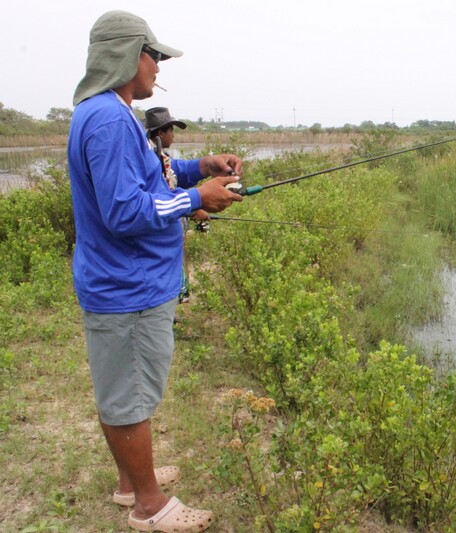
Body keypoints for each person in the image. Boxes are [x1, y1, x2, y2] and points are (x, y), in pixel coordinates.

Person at [67, 10, 243, 532]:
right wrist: (196, 199)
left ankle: (129, 481)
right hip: (128, 287)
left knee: (124, 389)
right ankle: (149, 505)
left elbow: (149, 181)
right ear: (128, 55)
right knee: (129, 395)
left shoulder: (113, 114)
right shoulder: (105, 118)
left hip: (131, 282)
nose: (159, 68)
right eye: (155, 56)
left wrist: (198, 169)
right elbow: (124, 212)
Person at [144, 106, 208, 304]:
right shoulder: (147, 157)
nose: (173, 135)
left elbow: (178, 173)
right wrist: (194, 206)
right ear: (160, 132)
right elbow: (158, 196)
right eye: (171, 130)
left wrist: (207, 165)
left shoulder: (161, 157)